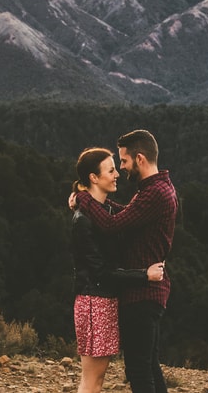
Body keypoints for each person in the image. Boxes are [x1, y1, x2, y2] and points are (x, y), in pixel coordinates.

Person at [72, 130, 178, 393]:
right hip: (146, 291)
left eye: (124, 161)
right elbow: (127, 215)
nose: (121, 168)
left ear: (139, 158)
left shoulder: (154, 192)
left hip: (143, 293)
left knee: (140, 370)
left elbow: (112, 224)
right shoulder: (157, 189)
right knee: (149, 365)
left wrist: (84, 198)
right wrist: (91, 201)